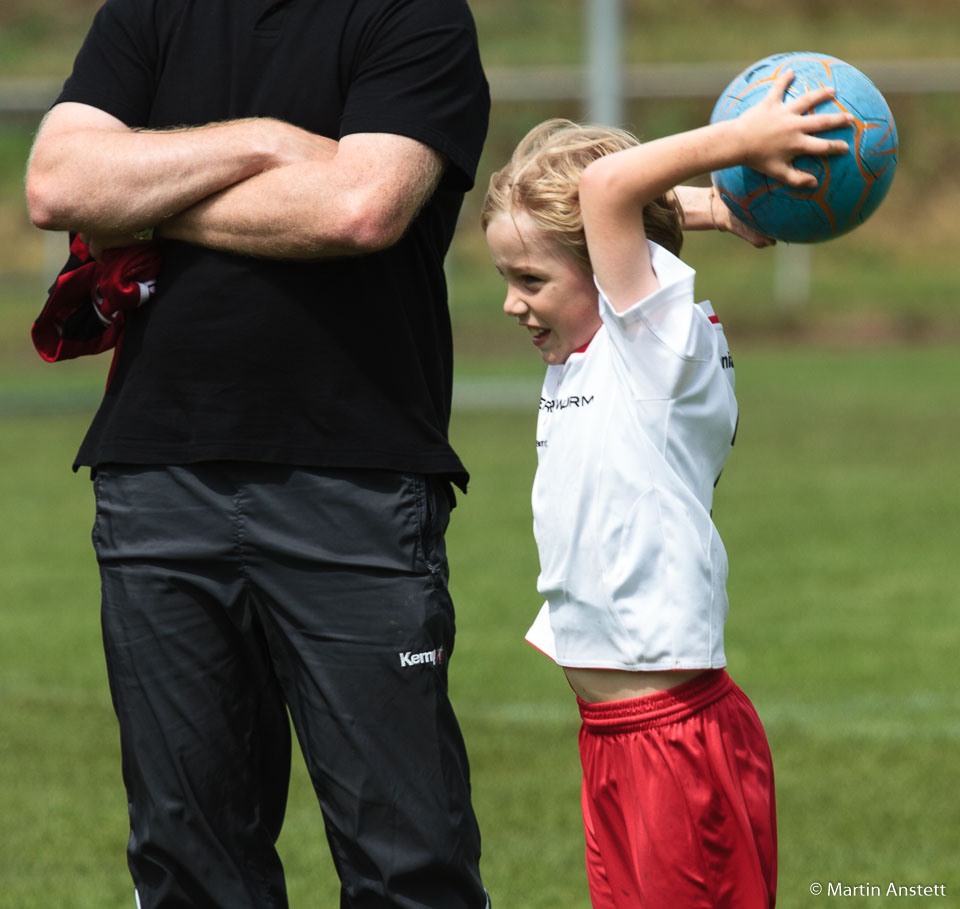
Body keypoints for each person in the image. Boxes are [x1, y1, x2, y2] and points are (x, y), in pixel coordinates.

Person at [25, 1, 490, 907]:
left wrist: (151, 201)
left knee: (408, 864)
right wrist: (271, 141)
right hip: (155, 475)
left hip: (354, 479)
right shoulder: (151, 11)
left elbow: (359, 206)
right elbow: (56, 185)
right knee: (187, 862)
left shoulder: (417, 16)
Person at [481, 72, 853, 908]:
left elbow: (609, 190)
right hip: (614, 740)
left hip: (672, 741)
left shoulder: (650, 342)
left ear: (608, 265)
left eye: (531, 280)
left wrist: (741, 146)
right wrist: (723, 209)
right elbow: (609, 212)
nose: (512, 303)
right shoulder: (590, 347)